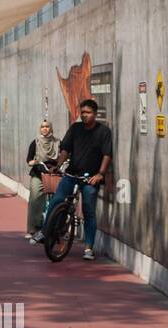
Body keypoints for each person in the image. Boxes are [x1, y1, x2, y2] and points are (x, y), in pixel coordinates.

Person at [32, 99, 113, 260]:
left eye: (88, 112)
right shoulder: (75, 129)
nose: (84, 115)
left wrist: (100, 174)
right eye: (82, 112)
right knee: (57, 200)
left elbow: (107, 154)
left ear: (95, 114)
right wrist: (58, 165)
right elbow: (65, 149)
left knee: (89, 211)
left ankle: (89, 248)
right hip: (72, 174)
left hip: (90, 179)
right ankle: (46, 230)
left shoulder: (103, 132)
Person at [25, 120, 60, 238]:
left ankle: (58, 227)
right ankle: (32, 229)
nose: (45, 129)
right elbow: (29, 159)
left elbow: (64, 155)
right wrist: (33, 162)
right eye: (42, 127)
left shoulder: (58, 142)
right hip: (38, 173)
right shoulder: (35, 142)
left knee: (59, 199)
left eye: (47, 126)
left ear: (51, 128)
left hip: (54, 174)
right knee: (35, 199)